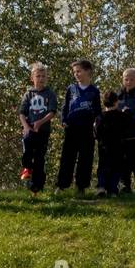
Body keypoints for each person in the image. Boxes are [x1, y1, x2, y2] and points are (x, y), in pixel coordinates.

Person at [55, 58, 100, 196]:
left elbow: (98, 110)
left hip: (87, 129)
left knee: (85, 158)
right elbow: (65, 106)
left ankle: (81, 186)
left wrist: (97, 122)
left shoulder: (94, 91)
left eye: (79, 71)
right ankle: (61, 185)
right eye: (75, 72)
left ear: (88, 71)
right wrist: (63, 120)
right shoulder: (71, 89)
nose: (76, 74)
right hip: (72, 128)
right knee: (67, 157)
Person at [18, 63, 59, 197]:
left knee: (40, 158)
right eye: (38, 76)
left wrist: (40, 123)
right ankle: (27, 168)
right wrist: (26, 126)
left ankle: (36, 187)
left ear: (46, 78)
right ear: (32, 78)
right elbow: (22, 113)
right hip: (29, 130)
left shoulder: (50, 94)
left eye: (43, 76)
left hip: (43, 130)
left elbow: (52, 112)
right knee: (27, 148)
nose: (41, 79)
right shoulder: (28, 94)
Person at [94, 90, 132, 197]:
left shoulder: (100, 117)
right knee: (116, 168)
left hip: (103, 146)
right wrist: (127, 112)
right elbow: (128, 125)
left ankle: (101, 187)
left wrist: (99, 139)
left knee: (102, 167)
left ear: (104, 102)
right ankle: (113, 190)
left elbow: (96, 131)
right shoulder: (121, 116)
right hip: (118, 146)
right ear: (116, 102)